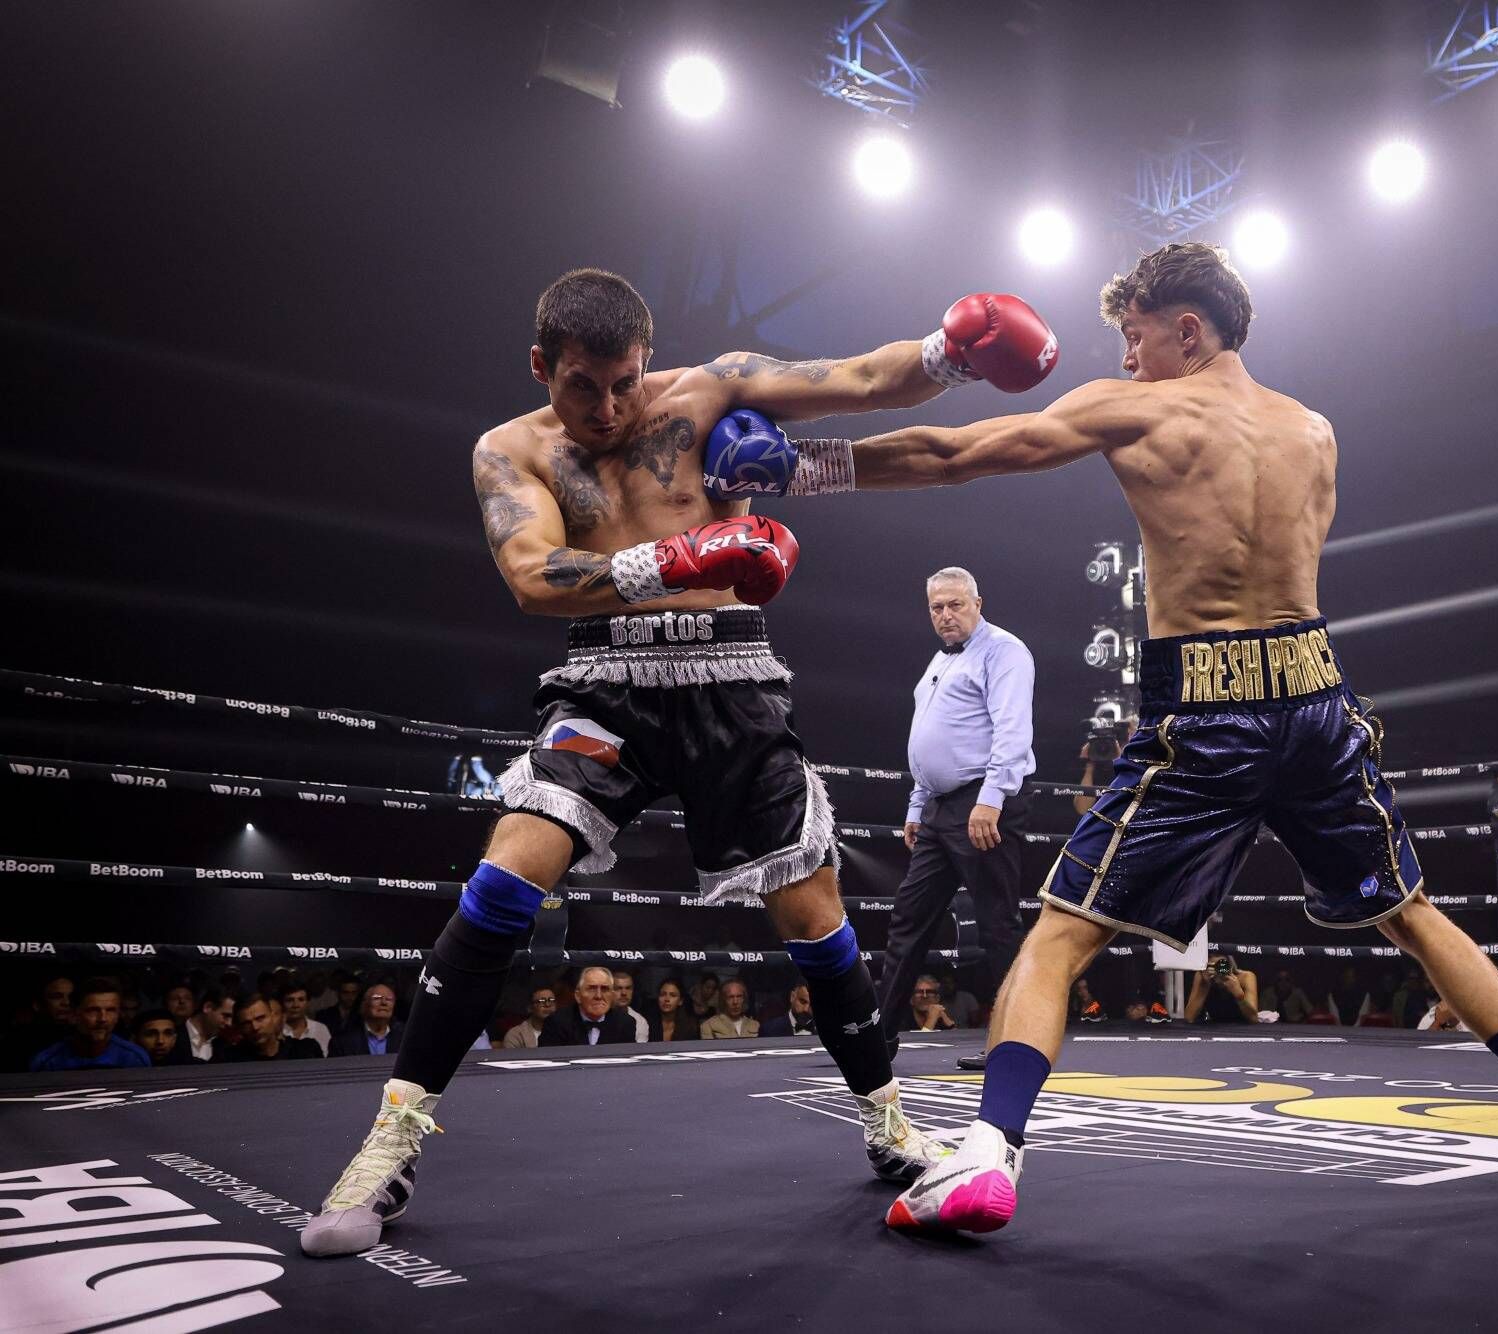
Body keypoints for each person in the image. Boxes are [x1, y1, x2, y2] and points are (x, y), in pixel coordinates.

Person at [775, 241, 1498, 1229]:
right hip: (1315, 696)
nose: (1126, 359)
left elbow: (957, 454)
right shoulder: (1314, 430)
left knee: (1058, 932)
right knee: (1413, 912)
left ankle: (985, 1155)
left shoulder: (1136, 406)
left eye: (1135, 336)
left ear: (1188, 326)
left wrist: (801, 464)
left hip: (1206, 707)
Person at [300, 270, 1057, 1256]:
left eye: (624, 383)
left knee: (815, 918)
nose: (610, 409)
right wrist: (678, 556)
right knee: (500, 881)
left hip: (732, 683)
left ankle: (888, 1125)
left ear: (645, 360)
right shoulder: (509, 449)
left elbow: (868, 378)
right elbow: (532, 576)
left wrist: (950, 354)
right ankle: (387, 1148)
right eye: (582, 387)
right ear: (541, 367)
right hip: (603, 685)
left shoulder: (712, 391)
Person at [878, 565, 1035, 1071]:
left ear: (977, 603)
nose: (945, 615)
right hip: (941, 808)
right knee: (909, 920)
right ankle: (877, 1042)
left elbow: (1013, 732)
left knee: (996, 923)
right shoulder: (939, 662)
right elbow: (930, 739)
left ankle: (1014, 1045)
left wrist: (990, 800)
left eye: (955, 605)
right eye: (936, 608)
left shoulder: (1004, 651)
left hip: (983, 802)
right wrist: (917, 805)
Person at [29, 978, 151, 1072]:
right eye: (93, 1010)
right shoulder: (47, 1062)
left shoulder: (134, 1058)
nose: (102, 1019)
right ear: (73, 1015)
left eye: (110, 1010)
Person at [539, 967, 637, 1047]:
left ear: (611, 995)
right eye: (591, 989)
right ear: (578, 996)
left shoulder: (625, 1023)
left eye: (605, 989)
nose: (598, 996)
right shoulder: (556, 1023)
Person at [220, 992, 326, 1062]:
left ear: (272, 1016)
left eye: (260, 1018)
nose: (255, 1027)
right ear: (239, 1027)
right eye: (246, 1023)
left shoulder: (305, 1051)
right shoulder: (227, 1058)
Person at [329, 984, 406, 1057]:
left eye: (389, 999)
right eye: (377, 998)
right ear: (363, 1006)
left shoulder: (405, 1040)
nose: (384, 1002)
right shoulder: (342, 1042)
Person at [1185, 955, 1259, 1024]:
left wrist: (1239, 994)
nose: (1218, 971)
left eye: (1221, 967)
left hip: (1243, 1026)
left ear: (1230, 967)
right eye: (1213, 967)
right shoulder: (1202, 977)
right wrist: (1204, 986)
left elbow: (1253, 1019)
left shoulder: (1245, 977)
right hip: (1214, 1027)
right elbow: (1189, 1018)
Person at [279, 982, 334, 1055]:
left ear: (308, 1003)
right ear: (282, 1004)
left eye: (301, 1000)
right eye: (290, 1000)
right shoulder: (277, 1030)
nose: (296, 1005)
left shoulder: (320, 1028)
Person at [183, 988, 234, 1063]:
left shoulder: (223, 1047)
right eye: (225, 1016)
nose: (229, 1023)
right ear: (208, 1007)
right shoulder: (173, 1036)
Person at [611, 970, 650, 1043]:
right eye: (618, 988)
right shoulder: (599, 1015)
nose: (624, 993)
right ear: (609, 990)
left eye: (628, 988)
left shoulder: (640, 1022)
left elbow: (639, 1052)